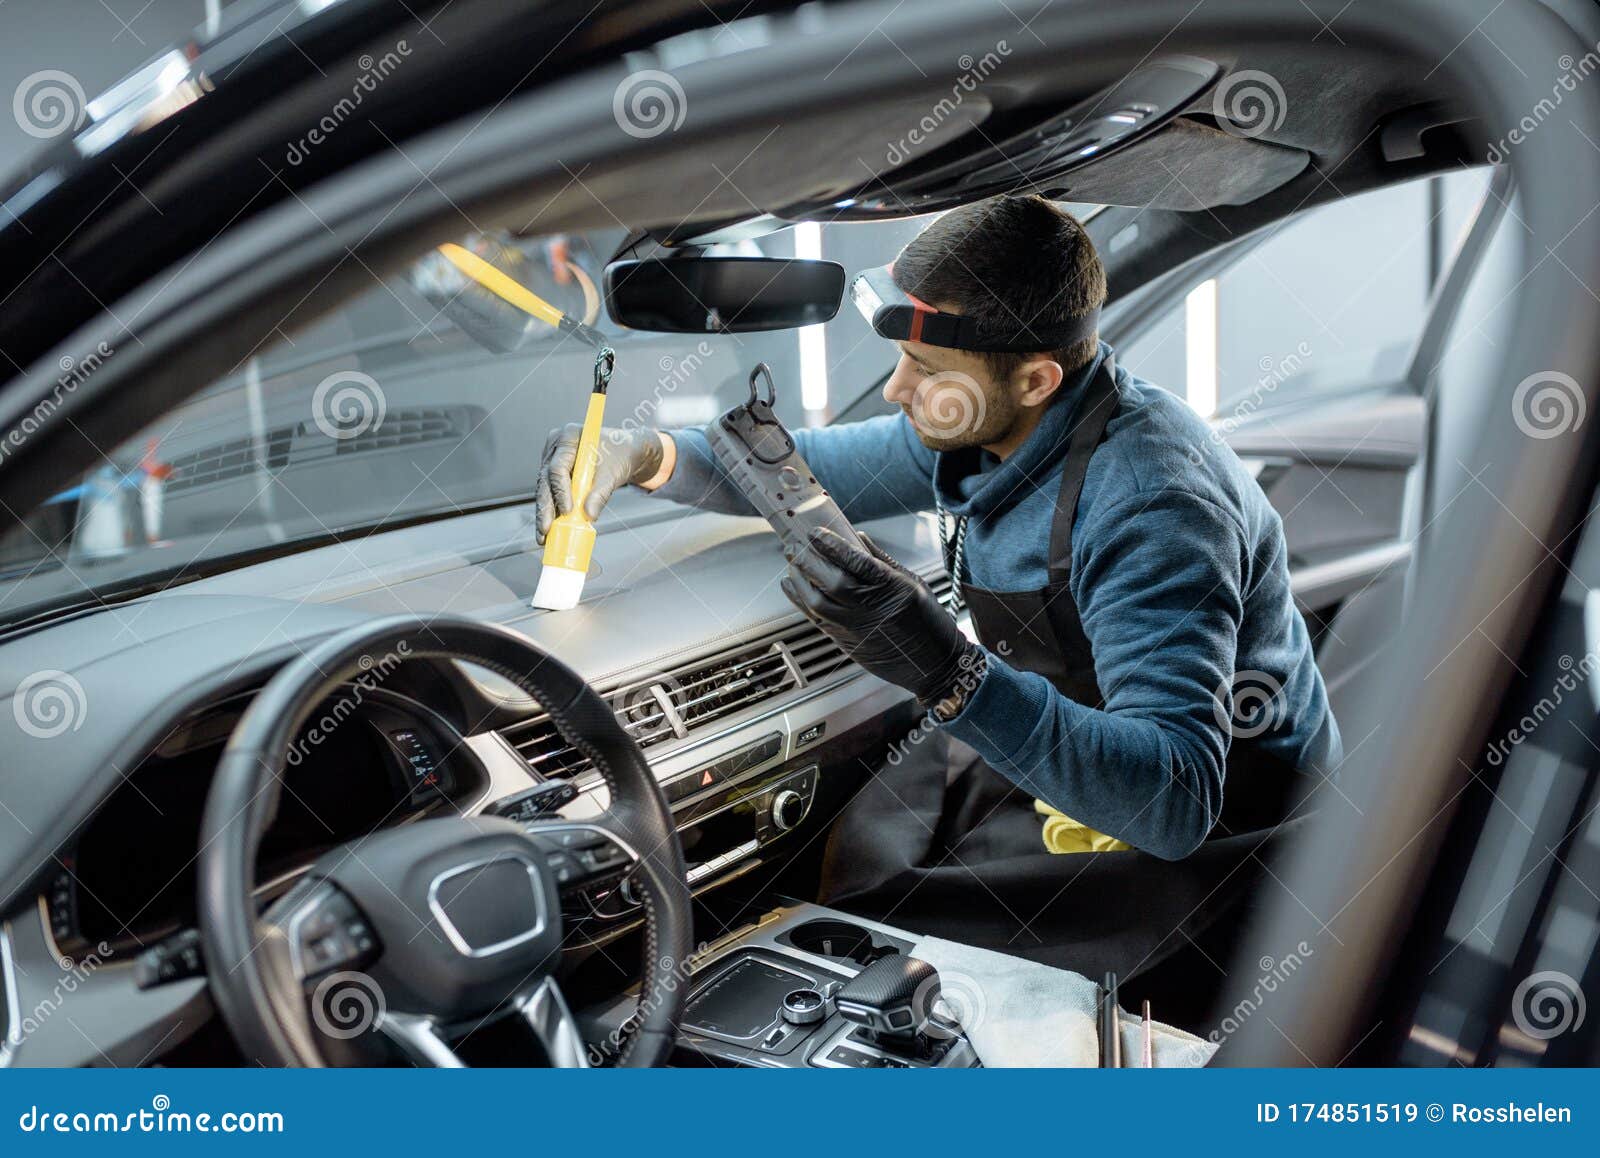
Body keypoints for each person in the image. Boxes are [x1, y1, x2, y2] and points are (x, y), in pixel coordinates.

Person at [535, 195, 1341, 978]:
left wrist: (948, 673)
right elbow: (801, 472)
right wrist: (641, 455)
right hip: (1082, 763)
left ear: (1034, 379)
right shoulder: (986, 426)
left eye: (925, 369)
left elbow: (1173, 802)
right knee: (860, 885)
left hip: (1225, 843)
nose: (894, 390)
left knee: (890, 943)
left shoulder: (1151, 504)